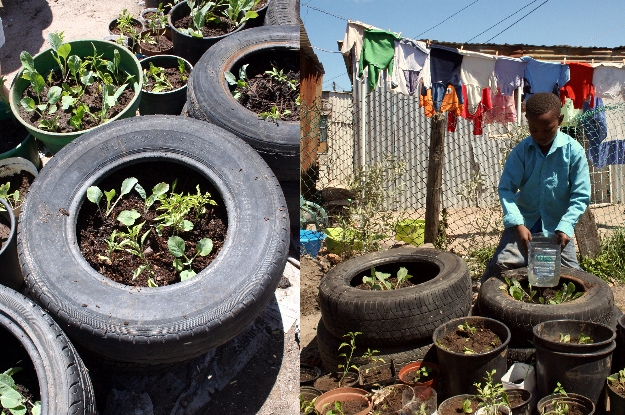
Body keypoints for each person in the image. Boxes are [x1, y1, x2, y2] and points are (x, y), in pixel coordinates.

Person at [481, 92, 591, 283]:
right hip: (525, 224)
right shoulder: (521, 152)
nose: (540, 136)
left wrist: (566, 226)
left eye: (548, 129)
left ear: (560, 120)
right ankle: (481, 311)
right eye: (534, 130)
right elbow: (506, 189)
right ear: (527, 122)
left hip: (558, 229)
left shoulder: (574, 151)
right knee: (497, 271)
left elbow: (580, 196)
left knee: (572, 278)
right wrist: (517, 224)